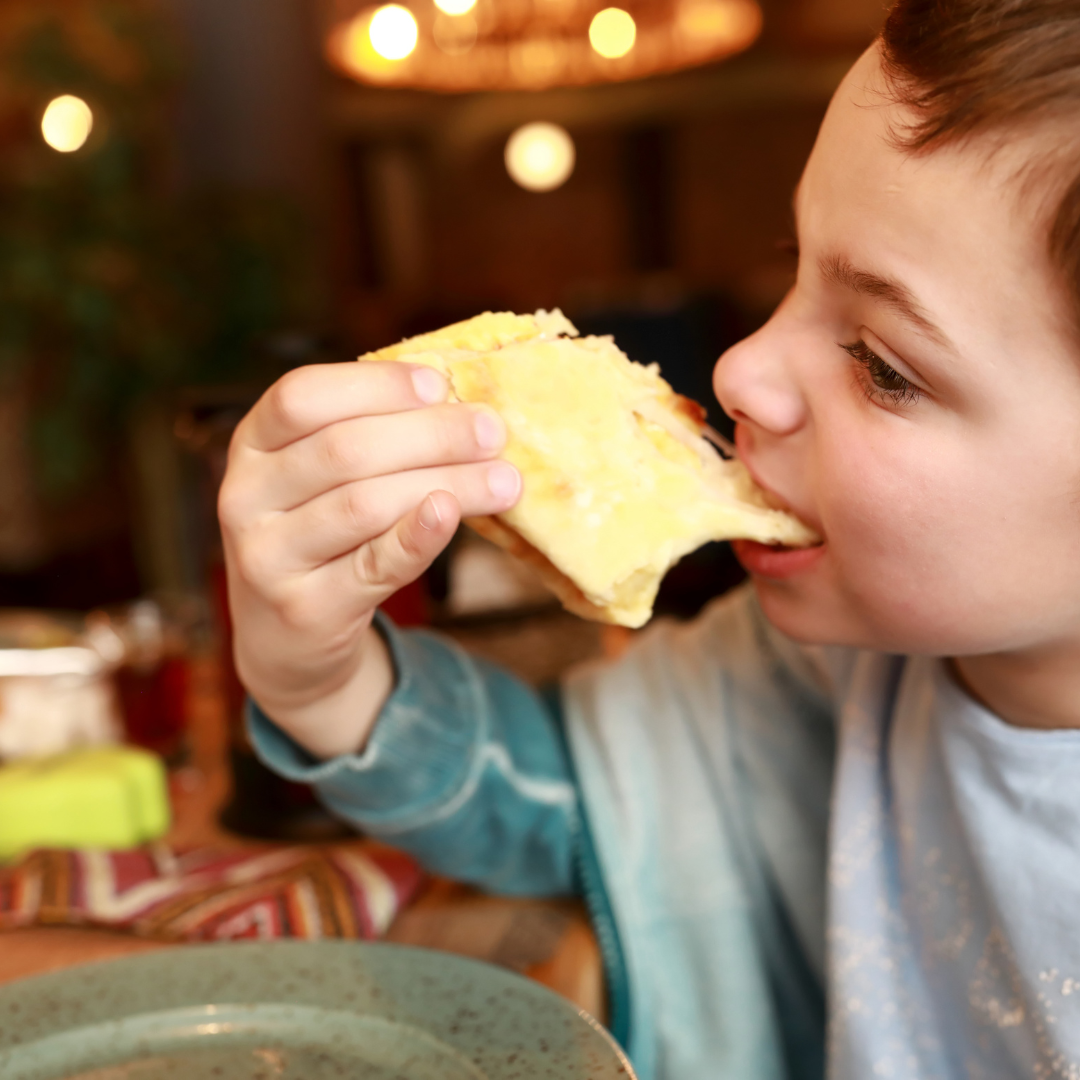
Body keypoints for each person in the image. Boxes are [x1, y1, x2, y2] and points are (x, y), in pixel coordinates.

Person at [216, 0, 1080, 1075]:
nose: (739, 372)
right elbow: (561, 802)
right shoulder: (828, 675)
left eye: (881, 363)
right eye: (790, 263)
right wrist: (313, 676)